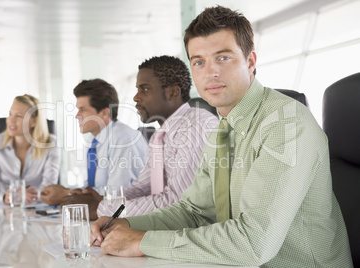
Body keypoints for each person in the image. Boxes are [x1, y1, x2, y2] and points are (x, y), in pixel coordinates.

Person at [90, 6, 353, 267]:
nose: (210, 72)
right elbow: (194, 212)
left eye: (223, 58)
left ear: (250, 62)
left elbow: (253, 243)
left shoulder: (286, 124)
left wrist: (141, 241)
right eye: (199, 62)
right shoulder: (222, 130)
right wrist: (125, 224)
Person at [61, 55, 219, 220]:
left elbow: (177, 202)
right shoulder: (160, 136)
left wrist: (101, 209)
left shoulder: (195, 127)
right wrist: (103, 201)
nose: (136, 97)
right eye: (137, 90)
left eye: (144, 89)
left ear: (173, 92)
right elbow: (141, 188)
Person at [40, 79, 148, 206]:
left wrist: (66, 193)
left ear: (104, 113)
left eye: (83, 109)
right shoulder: (94, 140)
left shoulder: (123, 139)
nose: (77, 116)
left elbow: (118, 194)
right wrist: (68, 192)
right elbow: (92, 187)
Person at [0, 94, 60, 205]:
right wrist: (6, 196)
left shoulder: (51, 144)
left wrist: (24, 195)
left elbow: (49, 189)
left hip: (38, 211)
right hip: (4, 213)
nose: (11, 120)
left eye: (19, 116)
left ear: (34, 121)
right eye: (10, 114)